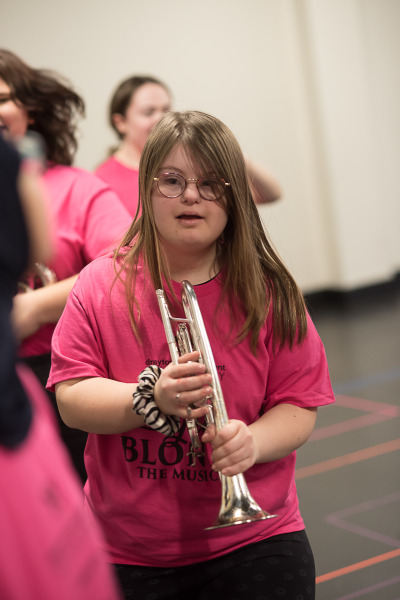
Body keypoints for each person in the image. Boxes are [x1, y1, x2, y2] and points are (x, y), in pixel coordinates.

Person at [49, 110, 335, 600]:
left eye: (210, 183)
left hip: (258, 539)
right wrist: (149, 398)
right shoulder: (99, 284)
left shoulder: (271, 291)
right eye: (172, 181)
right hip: (129, 551)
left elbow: (299, 405)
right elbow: (72, 399)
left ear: (234, 195)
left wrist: (254, 442)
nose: (190, 196)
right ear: (146, 187)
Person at [0, 48, 132, 482]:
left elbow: (126, 262)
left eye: (1, 98)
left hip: (59, 373)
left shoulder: (77, 187)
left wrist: (34, 308)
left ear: (31, 111)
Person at [0, 135, 122, 600]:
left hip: (40, 374)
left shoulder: (74, 185)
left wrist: (32, 308)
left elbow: (116, 253)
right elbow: (39, 239)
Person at [95, 75, 282, 216]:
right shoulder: (101, 182)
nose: (161, 119)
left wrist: (226, 154)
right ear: (120, 122)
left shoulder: (192, 165)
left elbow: (270, 194)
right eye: (148, 112)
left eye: (166, 110)